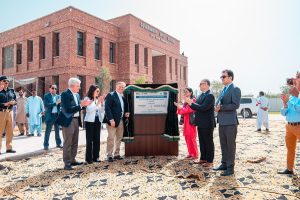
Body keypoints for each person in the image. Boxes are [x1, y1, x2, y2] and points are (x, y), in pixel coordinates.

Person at [57, 77, 91, 170]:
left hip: (76, 120)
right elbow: (67, 109)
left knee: (75, 141)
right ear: (72, 85)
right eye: (78, 86)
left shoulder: (76, 95)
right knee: (68, 142)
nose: (79, 88)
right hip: (68, 121)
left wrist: (84, 106)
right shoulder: (65, 94)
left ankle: (72, 160)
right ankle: (67, 163)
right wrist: (81, 105)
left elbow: (78, 108)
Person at [214, 69, 241, 176]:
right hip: (222, 121)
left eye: (224, 77)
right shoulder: (223, 89)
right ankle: (224, 163)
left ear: (230, 78)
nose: (222, 78)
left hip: (230, 122)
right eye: (221, 77)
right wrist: (216, 107)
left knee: (230, 145)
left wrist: (222, 107)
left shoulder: (235, 89)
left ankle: (230, 168)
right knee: (223, 144)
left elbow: (235, 105)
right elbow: (219, 103)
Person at [187, 79, 216, 168]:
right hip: (200, 123)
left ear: (207, 84)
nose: (199, 86)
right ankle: (203, 158)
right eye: (199, 84)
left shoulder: (210, 95)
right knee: (202, 141)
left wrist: (191, 103)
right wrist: (191, 104)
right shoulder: (201, 95)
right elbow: (197, 107)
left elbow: (203, 107)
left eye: (201, 84)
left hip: (207, 123)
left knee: (208, 142)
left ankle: (210, 161)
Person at [278, 72, 300, 175]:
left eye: (297, 78)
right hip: (289, 126)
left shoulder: (297, 96)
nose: (293, 82)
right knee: (290, 148)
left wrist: (290, 101)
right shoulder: (291, 97)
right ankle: (289, 169)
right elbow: (283, 113)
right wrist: (285, 103)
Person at [105, 81, 130, 162]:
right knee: (111, 138)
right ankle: (109, 155)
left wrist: (126, 112)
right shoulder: (111, 95)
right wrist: (111, 119)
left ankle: (116, 154)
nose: (121, 88)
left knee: (119, 138)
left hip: (121, 120)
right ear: (116, 87)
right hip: (112, 121)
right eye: (120, 86)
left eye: (123, 87)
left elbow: (123, 107)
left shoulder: (123, 97)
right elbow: (107, 108)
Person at [174, 87, 198, 160]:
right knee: (187, 138)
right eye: (184, 92)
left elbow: (187, 110)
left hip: (191, 123)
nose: (185, 93)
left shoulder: (192, 100)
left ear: (191, 93)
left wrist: (179, 108)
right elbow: (181, 111)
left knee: (192, 138)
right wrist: (179, 108)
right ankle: (190, 153)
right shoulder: (185, 102)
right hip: (186, 123)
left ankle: (195, 154)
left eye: (186, 92)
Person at [84, 85, 105, 164]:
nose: (98, 93)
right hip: (89, 121)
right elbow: (89, 110)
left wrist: (102, 104)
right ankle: (89, 159)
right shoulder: (87, 99)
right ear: (92, 91)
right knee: (89, 140)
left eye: (99, 91)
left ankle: (96, 157)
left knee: (97, 139)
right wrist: (98, 103)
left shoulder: (97, 99)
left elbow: (102, 111)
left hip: (97, 121)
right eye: (97, 91)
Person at [0, 76, 17, 154]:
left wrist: (13, 102)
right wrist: (5, 104)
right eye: (4, 81)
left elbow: (15, 100)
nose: (6, 82)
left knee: (10, 131)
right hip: (1, 113)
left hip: (10, 112)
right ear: (0, 82)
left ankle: (9, 148)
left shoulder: (11, 91)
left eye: (7, 81)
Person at [43, 84, 62, 150]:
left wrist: (61, 103)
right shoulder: (46, 96)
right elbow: (46, 105)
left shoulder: (58, 96)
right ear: (50, 89)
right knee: (48, 131)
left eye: (55, 88)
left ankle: (58, 143)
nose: (54, 90)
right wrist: (55, 103)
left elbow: (60, 106)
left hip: (57, 115)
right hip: (50, 116)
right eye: (53, 88)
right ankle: (46, 145)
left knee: (57, 131)